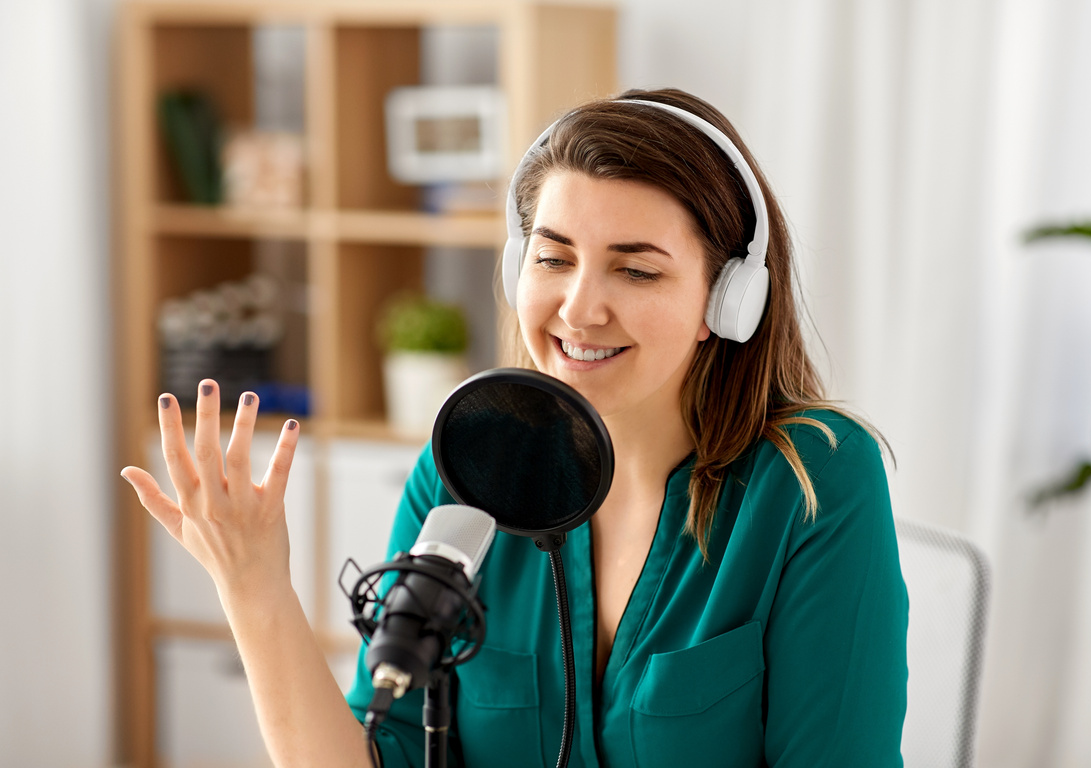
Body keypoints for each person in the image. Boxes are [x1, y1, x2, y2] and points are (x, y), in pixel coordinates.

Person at [122, 87, 908, 767]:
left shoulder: (815, 483)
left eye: (636, 270)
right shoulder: (467, 467)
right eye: (553, 258)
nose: (579, 309)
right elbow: (384, 752)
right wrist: (254, 587)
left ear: (727, 301)